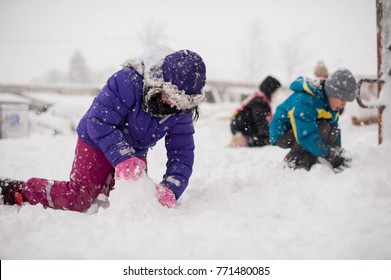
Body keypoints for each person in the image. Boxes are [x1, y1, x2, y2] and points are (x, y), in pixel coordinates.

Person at [0, 45, 207, 210]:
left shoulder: (180, 110)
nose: (174, 105)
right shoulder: (127, 82)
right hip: (96, 139)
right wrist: (123, 158)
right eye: (171, 97)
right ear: (160, 84)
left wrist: (171, 188)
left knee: (136, 200)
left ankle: (106, 182)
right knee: (79, 198)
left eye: (182, 103)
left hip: (134, 151)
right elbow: (98, 121)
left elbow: (182, 152)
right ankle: (18, 190)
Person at [269, 69, 357, 171]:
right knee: (321, 128)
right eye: (342, 99)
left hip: (301, 130)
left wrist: (337, 152)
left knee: (330, 128)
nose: (343, 104)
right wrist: (328, 154)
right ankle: (294, 160)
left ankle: (315, 158)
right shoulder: (307, 100)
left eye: (346, 101)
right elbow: (306, 135)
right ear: (331, 93)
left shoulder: (331, 105)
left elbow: (334, 129)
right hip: (282, 132)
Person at [229, 76, 281, 147]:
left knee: (267, 137)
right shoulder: (260, 102)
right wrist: (269, 134)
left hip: (240, 125)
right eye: (275, 92)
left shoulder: (258, 98)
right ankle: (245, 141)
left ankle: (244, 138)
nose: (275, 95)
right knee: (268, 139)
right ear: (270, 90)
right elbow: (260, 121)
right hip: (243, 127)